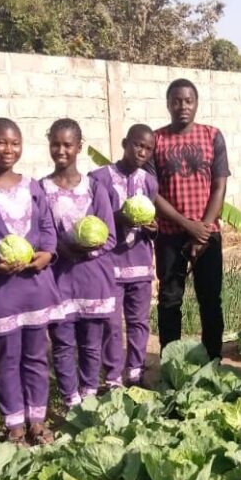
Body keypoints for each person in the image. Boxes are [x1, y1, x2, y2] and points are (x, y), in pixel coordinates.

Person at [0, 118, 59, 445]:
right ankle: (14, 426)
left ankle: (37, 421)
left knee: (36, 357)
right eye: (0, 142)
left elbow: (48, 227)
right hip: (0, 291)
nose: (7, 149)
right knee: (6, 360)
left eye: (14, 143)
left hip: (34, 286)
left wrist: (47, 254)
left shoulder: (32, 186)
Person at [151, 79, 231, 360]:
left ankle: (213, 360)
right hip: (170, 235)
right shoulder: (156, 140)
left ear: (196, 104)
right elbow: (152, 192)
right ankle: (170, 360)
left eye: (188, 100)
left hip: (207, 234)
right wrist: (188, 226)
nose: (182, 106)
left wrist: (203, 230)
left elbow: (219, 187)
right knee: (170, 300)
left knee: (210, 300)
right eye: (176, 101)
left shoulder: (212, 136)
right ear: (168, 104)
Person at [42, 118, 117, 403]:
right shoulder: (41, 189)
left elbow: (109, 237)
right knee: (62, 344)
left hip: (92, 280)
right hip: (58, 281)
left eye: (67, 145)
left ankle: (89, 397)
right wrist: (59, 249)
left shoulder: (94, 188)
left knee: (90, 345)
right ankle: (70, 401)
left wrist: (81, 251)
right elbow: (40, 233)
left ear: (79, 147)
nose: (61, 151)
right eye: (55, 144)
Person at [92, 124, 158, 388]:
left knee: (139, 321)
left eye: (148, 148)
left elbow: (152, 223)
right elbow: (94, 220)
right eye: (138, 145)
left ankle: (136, 373)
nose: (142, 152)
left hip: (141, 265)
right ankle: (112, 377)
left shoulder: (149, 182)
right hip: (110, 265)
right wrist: (120, 217)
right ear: (125, 144)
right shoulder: (99, 178)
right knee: (110, 323)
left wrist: (152, 228)